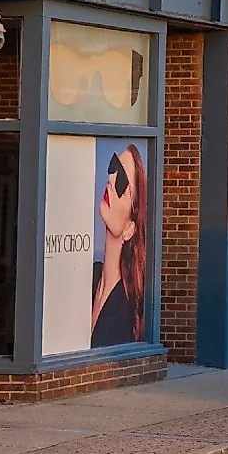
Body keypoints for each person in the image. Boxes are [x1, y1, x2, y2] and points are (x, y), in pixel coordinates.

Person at [89, 144, 147, 347]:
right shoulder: (87, 279)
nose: (111, 179)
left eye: (122, 181)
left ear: (130, 228)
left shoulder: (126, 306)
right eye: (114, 167)